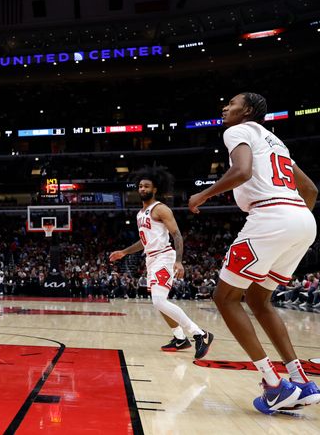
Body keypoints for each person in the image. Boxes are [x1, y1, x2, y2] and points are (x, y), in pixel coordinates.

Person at [189, 92, 320, 413]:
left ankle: (274, 385)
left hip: (271, 217)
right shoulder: (276, 141)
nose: (224, 107)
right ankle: (300, 381)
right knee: (260, 300)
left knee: (225, 298)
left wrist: (202, 195)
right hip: (304, 219)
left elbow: (243, 171)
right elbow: (311, 190)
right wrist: (293, 219)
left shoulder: (237, 131)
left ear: (246, 111)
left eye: (231, 104)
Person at [110, 167, 213, 358]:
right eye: (140, 186)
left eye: (146, 186)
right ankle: (180, 338)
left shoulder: (161, 209)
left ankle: (200, 334)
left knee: (158, 300)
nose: (142, 189)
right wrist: (124, 252)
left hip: (164, 257)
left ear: (155, 189)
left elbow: (176, 234)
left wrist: (179, 261)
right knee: (159, 303)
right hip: (151, 258)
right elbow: (144, 241)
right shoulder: (141, 214)